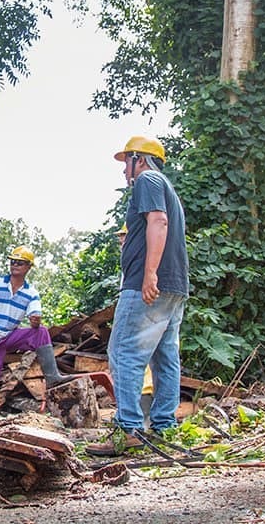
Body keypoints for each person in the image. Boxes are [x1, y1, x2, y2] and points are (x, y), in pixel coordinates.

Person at [89, 136, 190, 456]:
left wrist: (149, 274)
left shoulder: (147, 179)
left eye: (126, 163)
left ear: (139, 159)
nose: (124, 172)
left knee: (124, 351)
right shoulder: (167, 187)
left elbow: (157, 222)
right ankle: (163, 425)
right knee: (165, 357)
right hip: (175, 286)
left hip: (149, 284)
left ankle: (129, 427)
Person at [0, 246, 85, 423]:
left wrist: (35, 321)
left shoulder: (31, 293)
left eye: (20, 263)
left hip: (9, 336)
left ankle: (53, 376)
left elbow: (35, 316)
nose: (15, 265)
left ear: (28, 267)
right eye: (13, 262)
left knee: (40, 332)